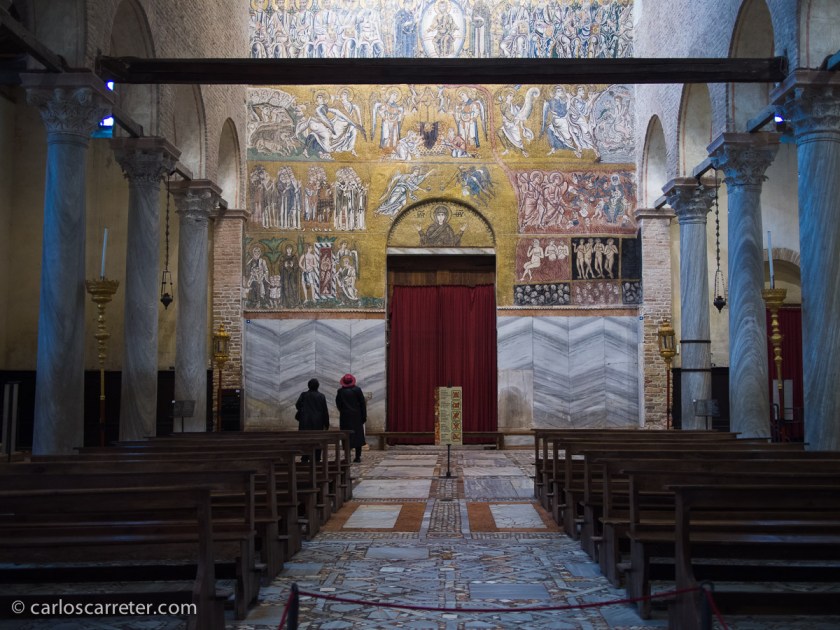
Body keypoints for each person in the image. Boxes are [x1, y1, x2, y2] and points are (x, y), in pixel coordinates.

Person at [295, 378, 329, 463]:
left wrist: (303, 411)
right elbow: (325, 411)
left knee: (305, 439)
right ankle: (316, 457)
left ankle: (305, 456)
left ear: (308, 386)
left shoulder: (304, 395)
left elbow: (298, 405)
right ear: (318, 386)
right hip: (318, 422)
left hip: (305, 421)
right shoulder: (321, 396)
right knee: (317, 440)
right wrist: (326, 423)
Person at [336, 373, 367, 463]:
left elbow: (338, 404)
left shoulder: (340, 391)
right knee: (358, 436)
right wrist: (364, 416)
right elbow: (362, 404)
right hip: (357, 417)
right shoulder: (357, 390)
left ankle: (347, 456)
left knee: (346, 436)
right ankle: (357, 457)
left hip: (345, 417)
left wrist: (343, 411)